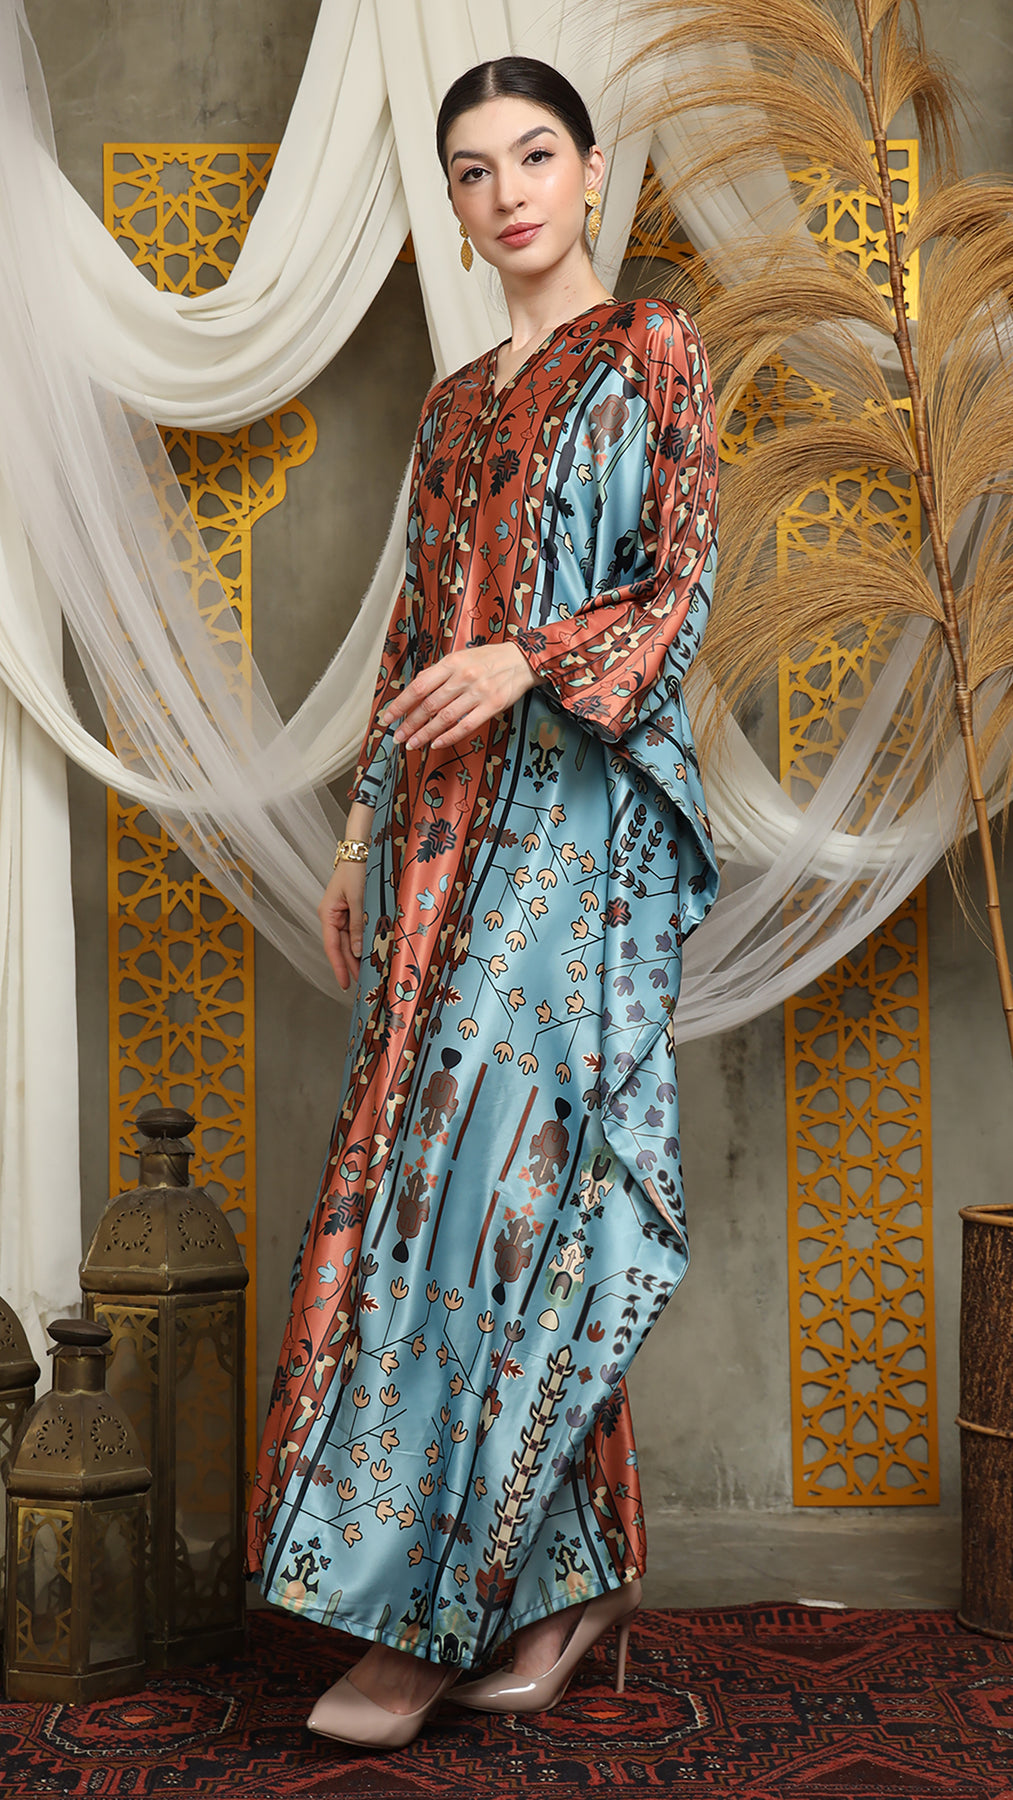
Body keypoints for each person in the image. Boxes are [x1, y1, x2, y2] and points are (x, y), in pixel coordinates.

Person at [246, 53, 719, 1751]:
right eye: (470, 169)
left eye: (532, 155)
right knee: (457, 1198)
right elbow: (407, 642)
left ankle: (422, 1628)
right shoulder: (453, 406)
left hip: (574, 837)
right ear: (450, 204)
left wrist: (529, 657)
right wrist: (355, 833)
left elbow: (679, 582)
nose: (506, 191)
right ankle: (572, 1579)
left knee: (498, 1195)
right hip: (436, 844)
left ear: (589, 171)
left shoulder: (651, 350)